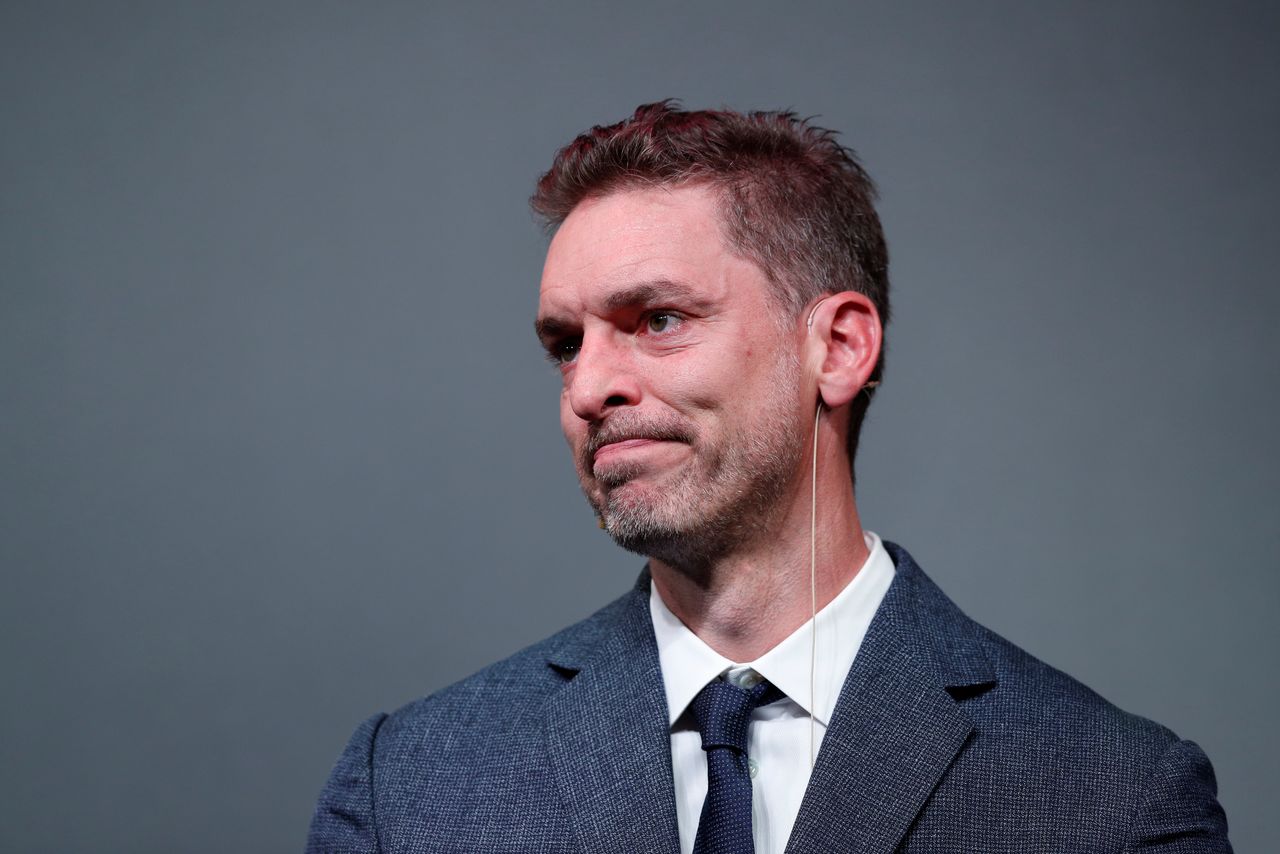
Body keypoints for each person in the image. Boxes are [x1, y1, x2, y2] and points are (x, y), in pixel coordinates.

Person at [306, 101, 1231, 853]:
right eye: (565, 345)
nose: (589, 387)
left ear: (836, 347)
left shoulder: (1118, 801)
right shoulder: (410, 786)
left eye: (659, 318)